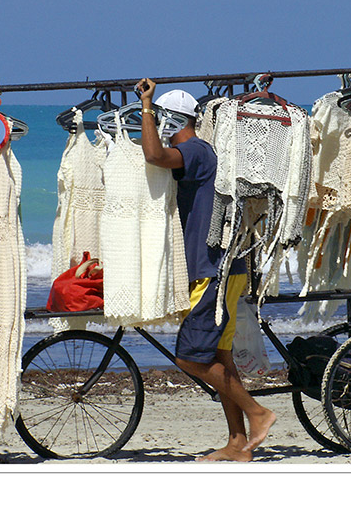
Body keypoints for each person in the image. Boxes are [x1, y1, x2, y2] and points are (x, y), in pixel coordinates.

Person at [135, 78, 276, 462]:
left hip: (215, 271)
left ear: (169, 119)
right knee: (221, 358)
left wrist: (145, 105)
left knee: (190, 357)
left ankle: (258, 413)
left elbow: (154, 156)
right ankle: (237, 444)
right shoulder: (198, 154)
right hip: (221, 269)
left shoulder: (196, 150)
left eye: (159, 118)